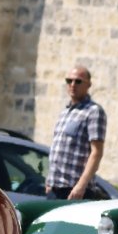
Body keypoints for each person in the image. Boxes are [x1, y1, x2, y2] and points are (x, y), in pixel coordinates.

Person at [46, 64, 107, 199]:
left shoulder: (93, 111)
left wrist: (81, 185)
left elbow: (96, 152)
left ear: (88, 85)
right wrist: (50, 181)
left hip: (75, 190)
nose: (73, 85)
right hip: (55, 188)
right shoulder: (65, 112)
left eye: (78, 81)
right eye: (69, 81)